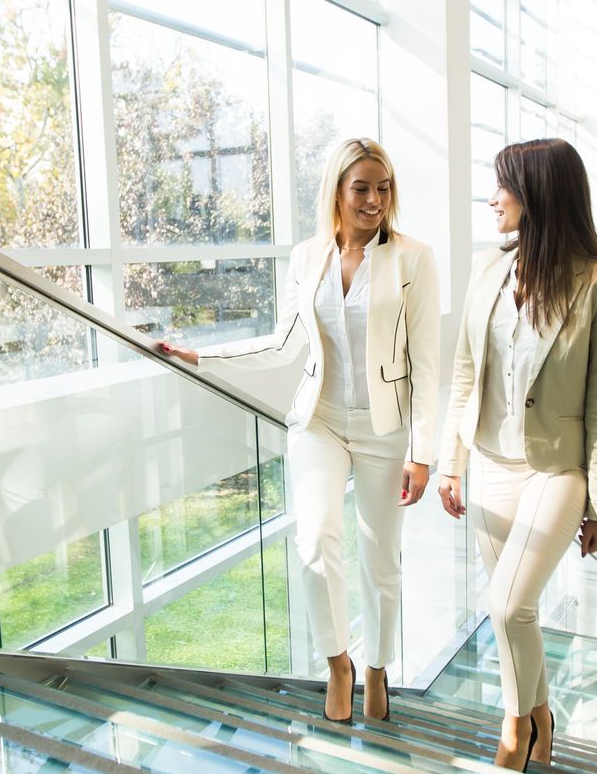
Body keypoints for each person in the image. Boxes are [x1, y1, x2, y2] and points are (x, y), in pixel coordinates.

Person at [157, 138, 439, 724]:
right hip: (320, 421)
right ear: (337, 191)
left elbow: (428, 363)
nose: (373, 200)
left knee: (380, 558)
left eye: (382, 188)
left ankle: (378, 667)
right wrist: (204, 357)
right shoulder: (308, 256)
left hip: (387, 431)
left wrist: (423, 452)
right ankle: (339, 663)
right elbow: (283, 342)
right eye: (361, 188)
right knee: (314, 542)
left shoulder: (413, 259)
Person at [438, 138, 597, 770]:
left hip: (556, 469)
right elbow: (465, 372)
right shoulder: (489, 270)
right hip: (489, 462)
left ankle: (516, 727)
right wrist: (451, 461)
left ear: (540, 193)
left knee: (506, 605)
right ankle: (544, 717)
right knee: (517, 615)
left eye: (505, 185)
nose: (494, 197)